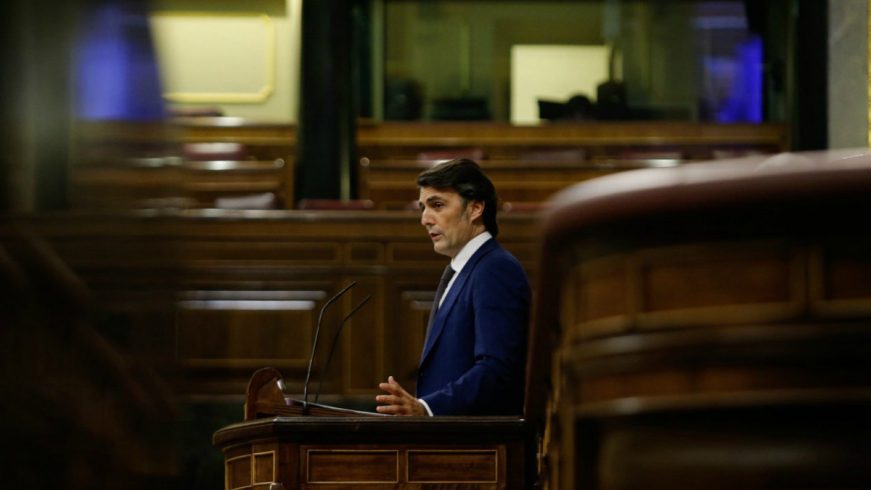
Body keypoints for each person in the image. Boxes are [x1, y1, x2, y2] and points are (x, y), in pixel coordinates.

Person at [375, 158, 530, 416]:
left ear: (476, 208)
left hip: (480, 447)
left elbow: (498, 371)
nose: (425, 219)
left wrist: (428, 407)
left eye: (437, 205)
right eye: (422, 207)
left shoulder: (495, 269)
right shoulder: (462, 269)